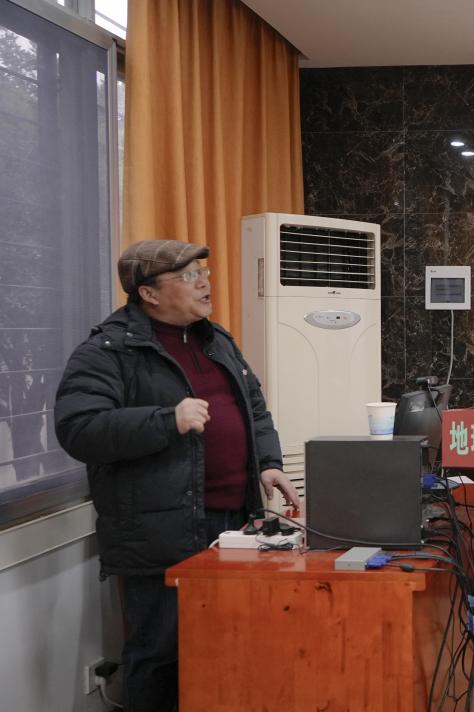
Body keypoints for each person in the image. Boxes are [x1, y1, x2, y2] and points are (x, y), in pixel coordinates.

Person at [54, 239, 300, 712]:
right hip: (160, 532)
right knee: (160, 654)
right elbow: (79, 429)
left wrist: (268, 463)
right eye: (189, 276)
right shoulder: (109, 350)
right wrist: (166, 420)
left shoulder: (216, 339)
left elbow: (253, 409)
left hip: (235, 522)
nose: (204, 283)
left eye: (203, 272)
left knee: (230, 643)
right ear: (148, 293)